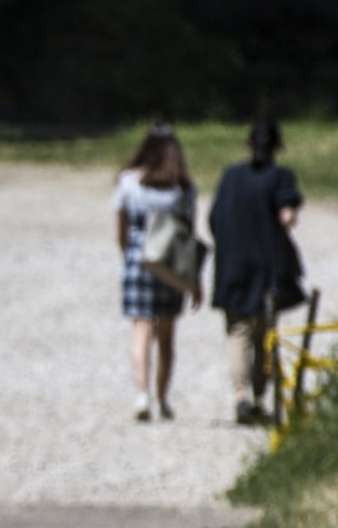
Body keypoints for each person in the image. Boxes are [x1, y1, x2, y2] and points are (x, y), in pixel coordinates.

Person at [209, 116, 306, 425]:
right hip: (266, 268)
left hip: (232, 264)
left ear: (249, 143)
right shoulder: (280, 177)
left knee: (238, 332)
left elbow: (213, 219)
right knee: (264, 333)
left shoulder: (231, 177)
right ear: (277, 146)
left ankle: (240, 396)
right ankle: (261, 398)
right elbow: (286, 216)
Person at [113, 123, 198, 422]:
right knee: (166, 334)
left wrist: (129, 256)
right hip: (170, 263)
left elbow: (121, 230)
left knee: (141, 327)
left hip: (138, 259)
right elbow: (189, 235)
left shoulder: (128, 182)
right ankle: (163, 398)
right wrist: (192, 280)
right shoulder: (183, 188)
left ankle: (141, 394)